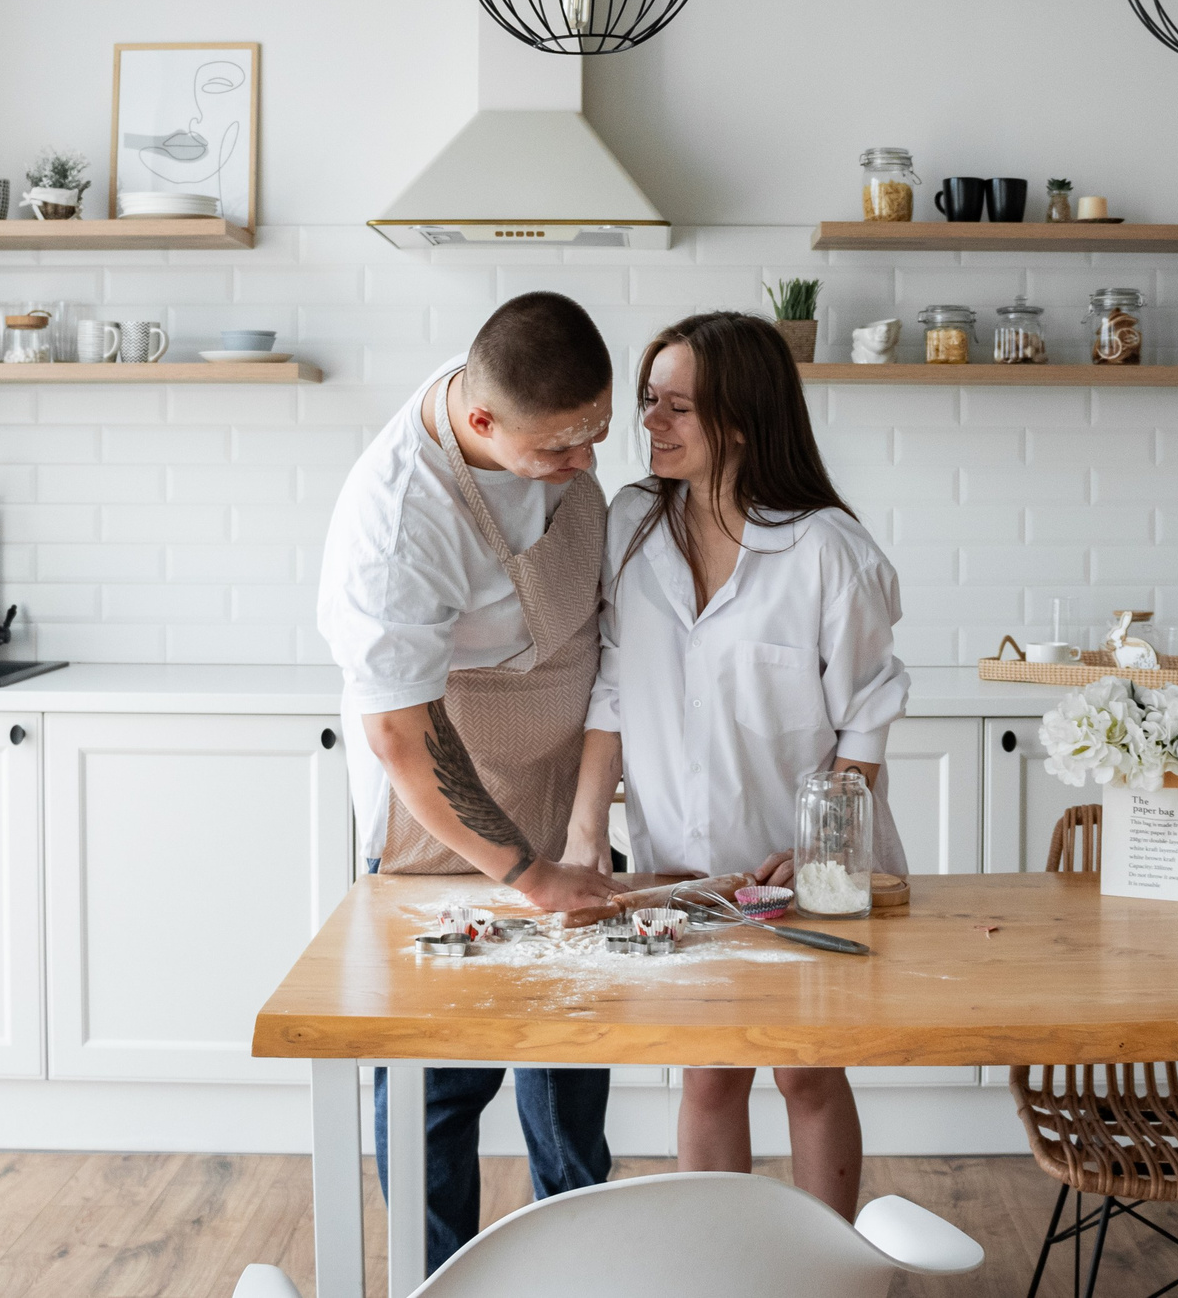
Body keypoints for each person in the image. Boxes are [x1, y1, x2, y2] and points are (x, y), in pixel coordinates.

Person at [563, 310, 910, 1219]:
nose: (651, 421)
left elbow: (867, 716)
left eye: (678, 406)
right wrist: (587, 827)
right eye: (651, 400)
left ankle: (829, 1272)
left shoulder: (828, 550)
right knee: (709, 1074)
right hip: (680, 860)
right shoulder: (632, 522)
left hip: (799, 870)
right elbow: (612, 681)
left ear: (745, 421)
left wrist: (824, 851)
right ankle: (719, 1267)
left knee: (807, 1071)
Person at [314, 291, 629, 1273]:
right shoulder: (396, 524)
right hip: (445, 810)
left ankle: (573, 1275)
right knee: (441, 1080)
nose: (584, 463)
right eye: (560, 449)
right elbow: (402, 737)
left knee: (569, 1055)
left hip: (562, 782)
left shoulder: (534, 410)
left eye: (596, 435)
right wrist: (526, 873)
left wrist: (583, 829)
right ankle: (436, 1279)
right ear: (481, 421)